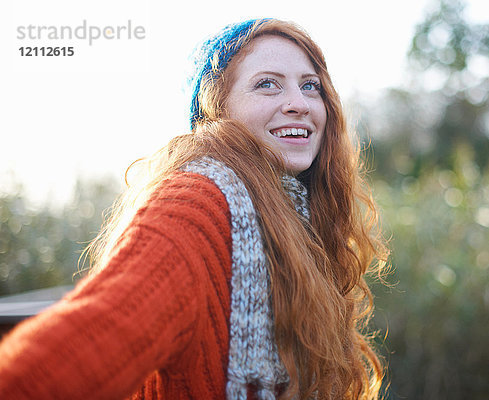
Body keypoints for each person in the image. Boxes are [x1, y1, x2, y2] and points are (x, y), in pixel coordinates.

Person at [0, 18, 388, 399]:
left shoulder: (303, 217)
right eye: (267, 84)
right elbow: (91, 337)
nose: (299, 104)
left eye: (310, 87)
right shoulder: (195, 204)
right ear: (215, 110)